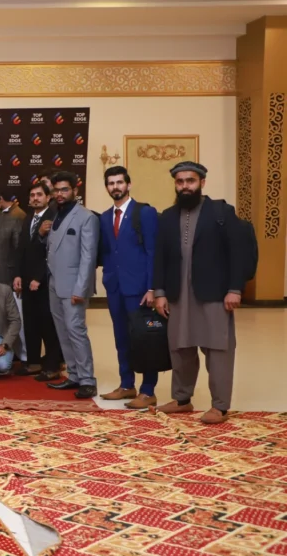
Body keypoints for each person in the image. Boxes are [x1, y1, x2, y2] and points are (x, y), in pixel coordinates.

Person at [154, 161, 246, 425]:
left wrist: (235, 289)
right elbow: (159, 257)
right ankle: (182, 399)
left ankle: (220, 406)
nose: (185, 186)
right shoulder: (167, 216)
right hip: (178, 294)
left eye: (190, 181)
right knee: (180, 348)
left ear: (202, 183)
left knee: (218, 350)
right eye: (180, 181)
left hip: (214, 293)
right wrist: (160, 292)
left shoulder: (221, 212)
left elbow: (237, 252)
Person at [98, 166, 159, 408]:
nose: (116, 187)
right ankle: (126, 385)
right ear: (107, 187)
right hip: (115, 287)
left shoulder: (144, 213)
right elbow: (107, 251)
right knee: (121, 338)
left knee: (145, 339)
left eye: (119, 182)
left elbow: (152, 251)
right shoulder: (104, 217)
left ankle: (148, 390)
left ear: (128, 184)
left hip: (139, 289)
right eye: (111, 183)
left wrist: (152, 288)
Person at [45, 172, 99, 399]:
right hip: (54, 283)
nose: (60, 194)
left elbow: (88, 257)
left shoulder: (86, 217)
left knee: (76, 331)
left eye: (64, 189)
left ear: (75, 191)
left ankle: (87, 380)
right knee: (63, 331)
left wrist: (81, 289)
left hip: (74, 286)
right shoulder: (56, 214)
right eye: (56, 190)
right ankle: (74, 374)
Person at [14, 182, 63, 381]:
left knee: (48, 325)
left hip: (45, 281)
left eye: (39, 195)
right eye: (32, 195)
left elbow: (51, 253)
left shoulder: (53, 217)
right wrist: (18, 274)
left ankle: (52, 366)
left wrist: (38, 277)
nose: (35, 198)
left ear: (48, 197)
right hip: (26, 280)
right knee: (31, 323)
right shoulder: (28, 218)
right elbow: (22, 249)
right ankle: (33, 362)